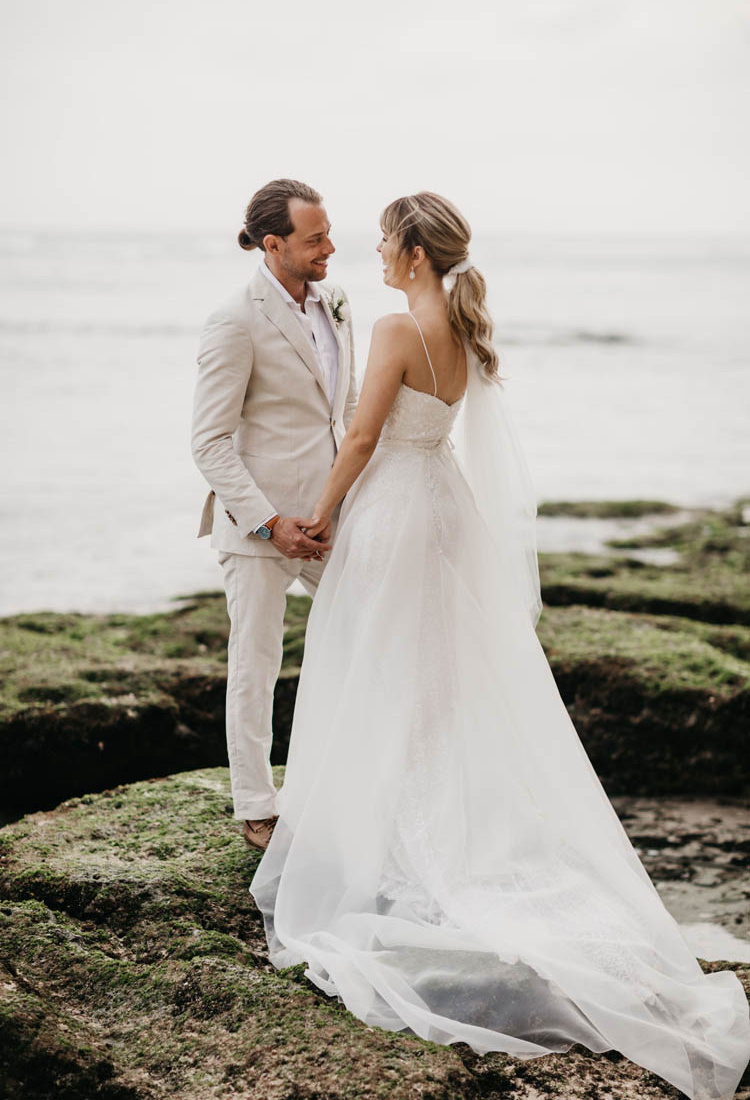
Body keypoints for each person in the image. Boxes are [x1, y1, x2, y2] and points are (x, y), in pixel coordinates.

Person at [248, 191, 750, 1099]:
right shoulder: (468, 328)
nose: (373, 251)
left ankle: (389, 833)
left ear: (410, 249)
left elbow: (363, 437)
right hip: (446, 511)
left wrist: (315, 515)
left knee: (378, 671)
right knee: (438, 677)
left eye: (382, 240)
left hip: (397, 513)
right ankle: (425, 810)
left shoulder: (402, 328)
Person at [190, 179, 357, 851]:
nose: (330, 248)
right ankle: (256, 806)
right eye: (315, 239)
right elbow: (209, 441)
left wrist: (344, 503)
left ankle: (348, 780)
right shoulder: (234, 319)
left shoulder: (339, 305)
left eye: (328, 233)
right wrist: (269, 521)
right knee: (254, 667)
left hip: (330, 521)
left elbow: (345, 415)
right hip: (258, 531)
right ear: (274, 244)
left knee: (371, 633)